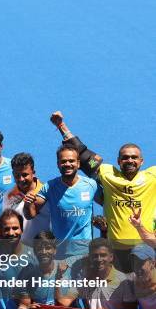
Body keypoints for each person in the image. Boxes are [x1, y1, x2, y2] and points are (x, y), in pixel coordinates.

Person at [50, 111, 156, 270]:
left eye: (134, 157)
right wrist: (61, 126)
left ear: (142, 161)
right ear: (119, 161)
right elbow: (83, 155)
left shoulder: (152, 176)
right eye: (125, 157)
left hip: (146, 250)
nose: (130, 160)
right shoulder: (107, 173)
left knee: (146, 293)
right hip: (116, 252)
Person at [24, 144, 99, 261]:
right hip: (60, 254)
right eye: (63, 161)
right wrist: (27, 204)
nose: (68, 164)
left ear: (78, 164)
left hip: (85, 253)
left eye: (71, 161)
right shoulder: (50, 187)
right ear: (58, 164)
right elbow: (30, 214)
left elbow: (97, 162)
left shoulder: (91, 185)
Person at [81, 238, 136, 309]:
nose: (99, 259)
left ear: (111, 257)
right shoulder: (85, 279)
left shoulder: (123, 281)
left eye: (103, 255)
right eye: (95, 256)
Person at [3, 153, 51, 244]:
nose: (21, 179)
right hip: (20, 252)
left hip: (43, 251)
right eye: (17, 175)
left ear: (33, 172)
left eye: (25, 175)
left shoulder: (47, 193)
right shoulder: (8, 196)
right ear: (13, 174)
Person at [129, 244, 156, 309]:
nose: (136, 267)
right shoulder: (132, 280)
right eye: (134, 262)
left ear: (153, 263)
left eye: (141, 262)